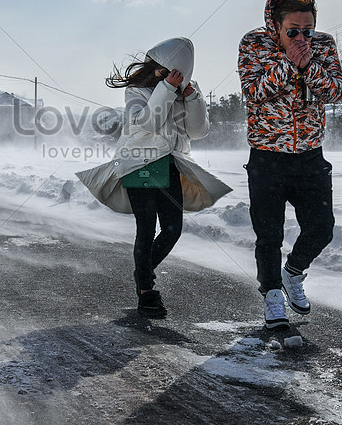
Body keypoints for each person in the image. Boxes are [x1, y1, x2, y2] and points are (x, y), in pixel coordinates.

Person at [77, 37, 232, 318]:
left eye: (180, 75)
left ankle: (142, 274)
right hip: (140, 164)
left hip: (171, 165)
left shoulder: (183, 90)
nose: (174, 78)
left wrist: (193, 98)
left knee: (173, 229)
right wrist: (167, 89)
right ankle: (147, 293)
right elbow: (147, 122)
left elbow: (198, 132)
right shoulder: (137, 91)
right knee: (147, 229)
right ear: (159, 68)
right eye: (169, 72)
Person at [238, 0, 342, 329]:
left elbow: (336, 91)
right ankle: (272, 298)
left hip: (310, 155)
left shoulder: (323, 46)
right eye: (293, 31)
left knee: (322, 228)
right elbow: (254, 93)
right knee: (269, 235)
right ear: (275, 25)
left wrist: (309, 65)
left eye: (308, 30)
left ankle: (293, 272)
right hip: (267, 158)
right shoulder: (253, 45)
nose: (302, 38)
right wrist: (287, 64)